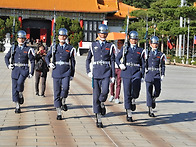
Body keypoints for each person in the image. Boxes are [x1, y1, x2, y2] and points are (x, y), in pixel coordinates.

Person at [86, 24, 115, 128]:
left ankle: (102, 102)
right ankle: (98, 118)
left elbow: (112, 61)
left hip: (106, 72)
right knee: (95, 96)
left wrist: (113, 75)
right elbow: (88, 59)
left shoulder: (110, 46)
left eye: (105, 33)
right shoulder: (93, 45)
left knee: (105, 92)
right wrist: (88, 71)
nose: (103, 35)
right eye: (101, 33)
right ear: (98, 34)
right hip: (96, 72)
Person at [45, 28, 76, 120]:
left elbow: (73, 62)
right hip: (57, 71)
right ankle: (59, 112)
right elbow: (47, 56)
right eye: (61, 35)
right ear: (58, 37)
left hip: (66, 71)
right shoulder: (54, 47)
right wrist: (49, 63)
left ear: (66, 37)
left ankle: (63, 100)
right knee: (56, 92)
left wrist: (72, 74)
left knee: (65, 88)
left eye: (64, 36)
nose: (62, 37)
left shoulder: (70, 48)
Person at [116, 31, 145, 122]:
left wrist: (142, 74)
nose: (134, 41)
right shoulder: (125, 49)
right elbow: (117, 58)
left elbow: (143, 64)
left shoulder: (141, 50)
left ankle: (134, 98)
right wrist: (120, 65)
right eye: (132, 39)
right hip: (126, 71)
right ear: (129, 39)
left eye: (135, 39)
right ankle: (129, 113)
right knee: (127, 92)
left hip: (136, 72)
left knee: (136, 90)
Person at [4, 30, 35, 113]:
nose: (21, 40)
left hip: (24, 70)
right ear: (17, 39)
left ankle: (20, 93)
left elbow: (32, 61)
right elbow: (6, 57)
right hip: (15, 69)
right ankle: (17, 106)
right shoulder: (13, 48)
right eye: (19, 38)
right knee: (14, 89)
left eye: (22, 38)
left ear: (25, 39)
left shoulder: (28, 49)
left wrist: (31, 72)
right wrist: (8, 65)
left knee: (20, 83)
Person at [145, 36, 166, 117]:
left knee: (158, 91)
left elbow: (163, 66)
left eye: (156, 43)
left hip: (157, 74)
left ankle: (154, 98)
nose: (155, 45)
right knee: (148, 92)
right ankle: (150, 110)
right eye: (153, 43)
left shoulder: (160, 54)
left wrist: (163, 74)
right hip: (149, 73)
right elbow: (144, 63)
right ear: (150, 44)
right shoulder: (147, 53)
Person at [109, 39, 124, 104]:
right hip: (113, 67)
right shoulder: (114, 49)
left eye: (120, 43)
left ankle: (117, 97)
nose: (118, 44)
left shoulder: (124, 50)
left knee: (118, 83)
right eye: (118, 43)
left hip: (120, 69)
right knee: (112, 82)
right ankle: (112, 94)